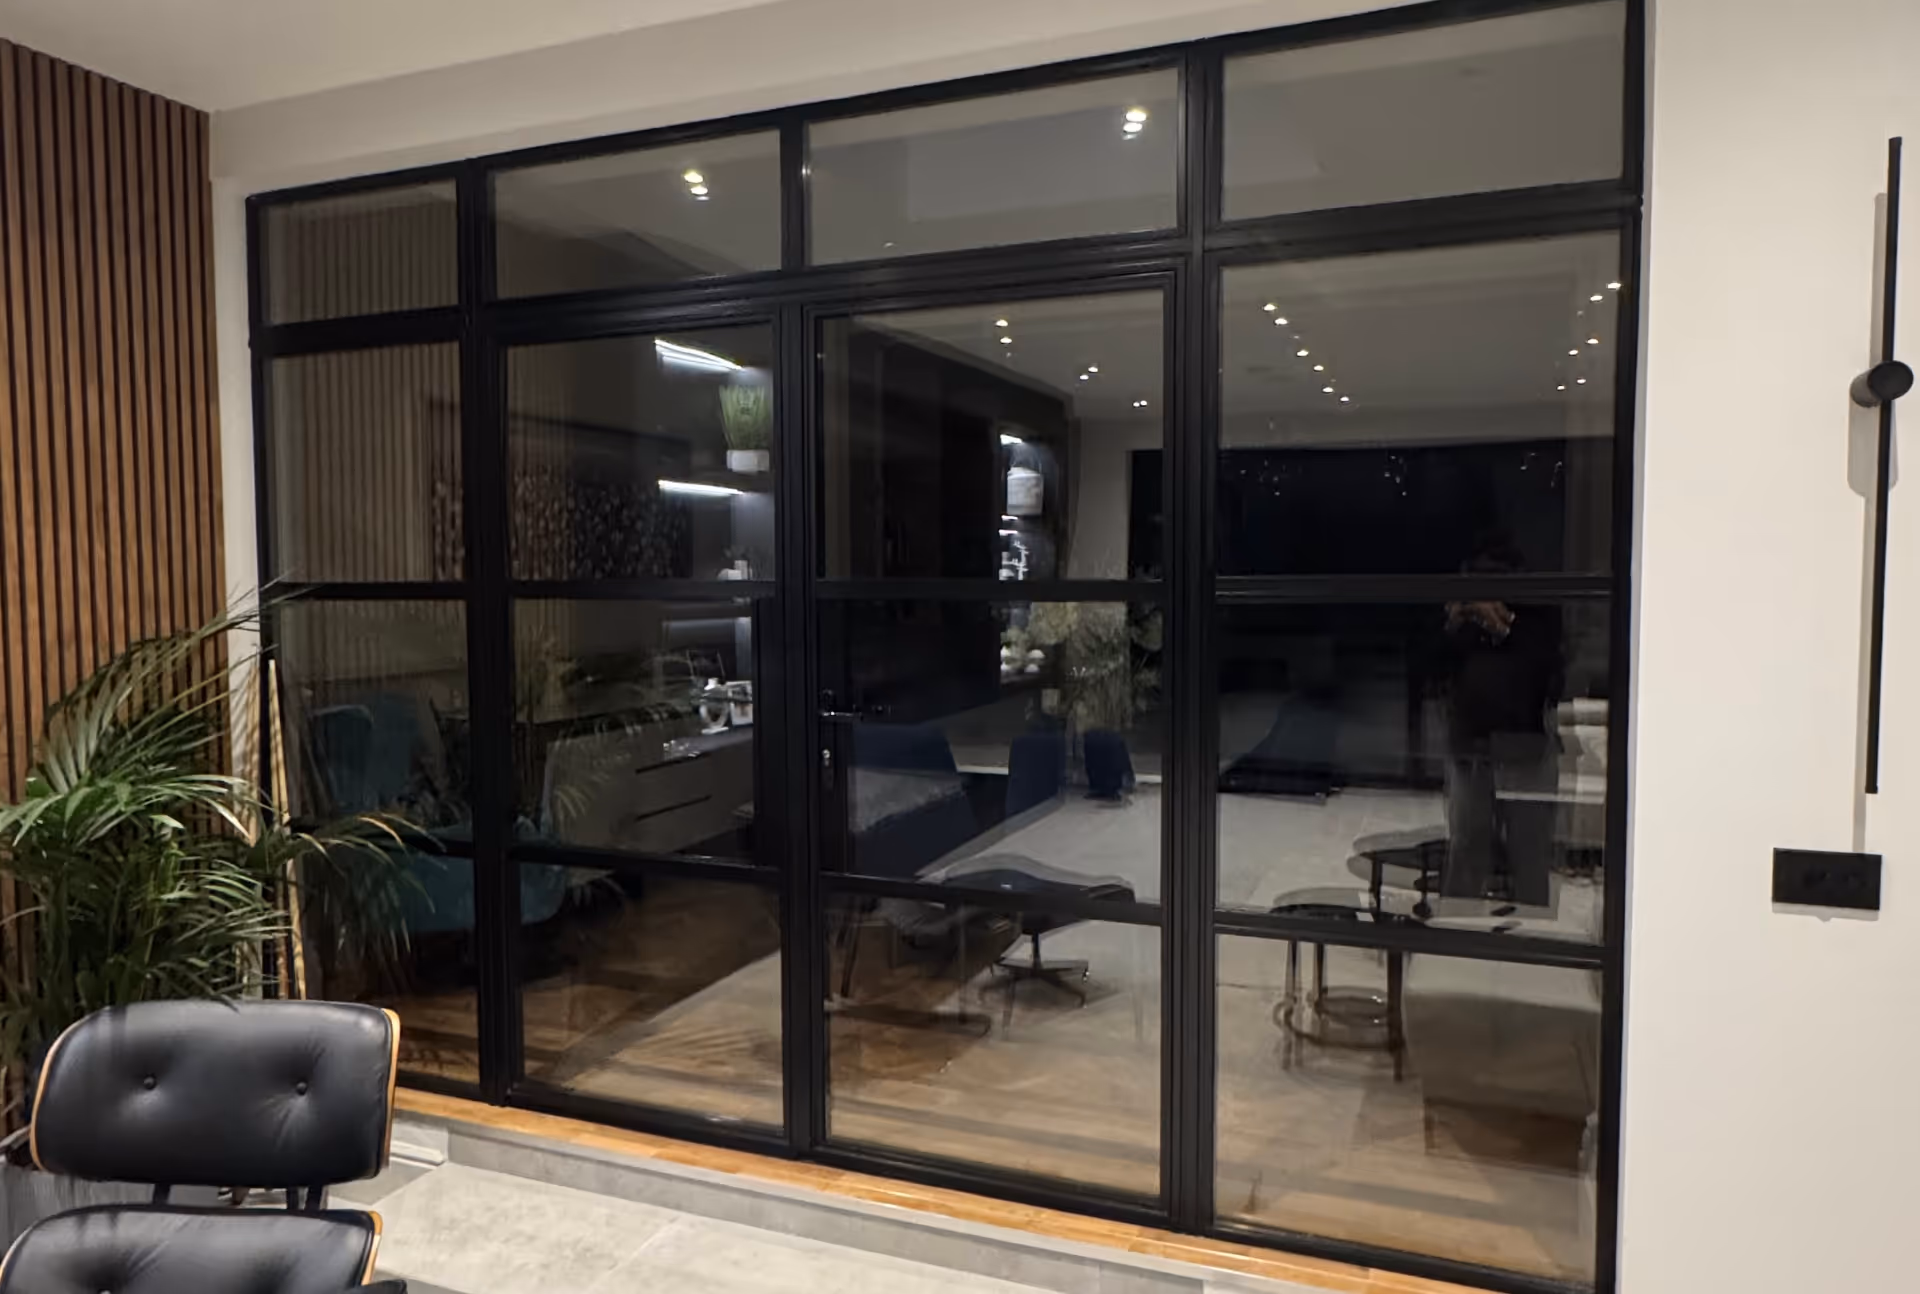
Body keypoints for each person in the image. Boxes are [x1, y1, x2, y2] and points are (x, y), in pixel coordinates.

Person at [1440, 538, 1562, 905]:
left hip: (1523, 744)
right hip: (1470, 744)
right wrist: (1456, 621)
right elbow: (1434, 668)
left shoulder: (1538, 611)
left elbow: (1545, 673)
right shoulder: (1462, 616)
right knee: (1466, 845)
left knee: (1529, 849)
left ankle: (1533, 937)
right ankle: (1456, 937)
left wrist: (1503, 629)